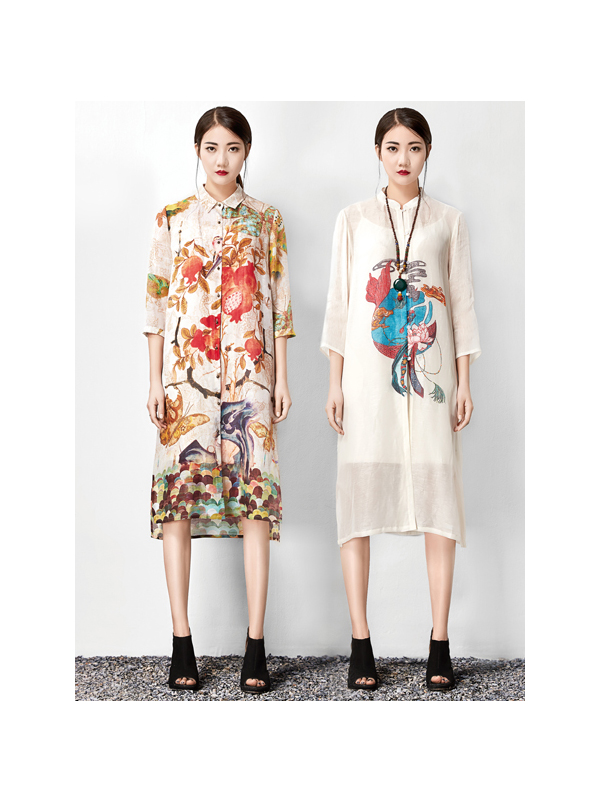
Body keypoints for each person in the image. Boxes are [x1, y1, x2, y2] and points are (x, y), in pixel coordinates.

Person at [320, 107, 481, 692]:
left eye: (413, 147)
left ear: (427, 151)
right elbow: (340, 305)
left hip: (432, 384)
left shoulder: (448, 221)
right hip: (367, 386)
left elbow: (461, 304)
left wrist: (464, 382)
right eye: (392, 147)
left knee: (439, 504)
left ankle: (440, 641)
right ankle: (360, 642)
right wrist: (335, 382)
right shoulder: (354, 219)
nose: (403, 158)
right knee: (358, 503)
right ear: (378, 153)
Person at [143, 106, 295, 694]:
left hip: (250, 381)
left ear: (246, 152)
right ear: (197, 152)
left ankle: (256, 644)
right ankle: (181, 641)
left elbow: (280, 307)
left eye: (233, 148)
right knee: (178, 506)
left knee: (255, 506)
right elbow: (155, 305)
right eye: (212, 148)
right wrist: (153, 382)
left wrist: (281, 381)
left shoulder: (267, 220)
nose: (222, 159)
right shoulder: (172, 218)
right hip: (185, 382)